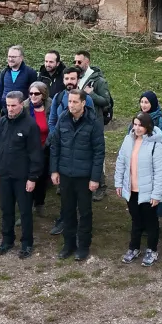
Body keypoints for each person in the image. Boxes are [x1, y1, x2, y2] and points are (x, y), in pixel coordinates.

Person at [49, 90, 105, 262]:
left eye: (74, 102)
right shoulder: (63, 119)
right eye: (69, 102)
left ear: (83, 103)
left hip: (84, 176)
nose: (71, 105)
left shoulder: (93, 123)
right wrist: (54, 170)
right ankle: (69, 244)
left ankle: (83, 246)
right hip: (65, 174)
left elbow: (98, 152)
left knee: (85, 212)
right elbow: (55, 146)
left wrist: (95, 178)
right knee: (67, 210)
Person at [0, 91, 43, 258]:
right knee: (6, 209)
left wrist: (32, 178)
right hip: (4, 174)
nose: (10, 109)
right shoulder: (2, 123)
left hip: (22, 177)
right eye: (7, 105)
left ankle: (27, 243)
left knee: (25, 211)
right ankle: (7, 240)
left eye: (13, 105)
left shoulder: (30, 126)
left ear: (22, 104)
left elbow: (35, 155)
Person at [115, 113, 162, 267]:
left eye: (140, 125)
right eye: (135, 124)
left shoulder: (155, 145)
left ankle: (152, 249)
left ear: (147, 127)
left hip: (148, 192)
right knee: (136, 220)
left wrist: (156, 194)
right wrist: (119, 183)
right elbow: (121, 162)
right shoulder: (128, 141)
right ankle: (134, 247)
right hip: (132, 190)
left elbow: (160, 171)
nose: (137, 128)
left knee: (150, 222)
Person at [47, 67, 92, 236]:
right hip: (62, 146)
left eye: (72, 78)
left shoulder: (86, 100)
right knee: (65, 196)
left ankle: (82, 228)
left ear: (78, 80)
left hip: (80, 153)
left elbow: (90, 121)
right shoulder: (58, 97)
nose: (69, 82)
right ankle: (64, 220)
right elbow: (52, 120)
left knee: (81, 198)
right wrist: (56, 136)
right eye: (66, 79)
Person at [74, 51, 112, 200]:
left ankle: (101, 186)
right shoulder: (76, 78)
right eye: (75, 62)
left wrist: (91, 94)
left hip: (95, 122)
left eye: (79, 62)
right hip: (78, 121)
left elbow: (106, 101)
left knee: (97, 153)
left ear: (87, 62)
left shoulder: (99, 81)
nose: (76, 64)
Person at [27, 81, 53, 216]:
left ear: (43, 95)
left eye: (36, 93)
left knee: (42, 178)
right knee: (28, 177)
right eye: (31, 93)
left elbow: (52, 127)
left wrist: (45, 145)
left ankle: (39, 204)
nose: (33, 96)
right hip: (28, 150)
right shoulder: (25, 107)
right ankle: (27, 207)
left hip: (44, 148)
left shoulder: (51, 106)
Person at [0, 45, 34, 113]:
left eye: (13, 57)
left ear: (21, 58)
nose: (10, 59)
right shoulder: (4, 72)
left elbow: (32, 94)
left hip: (23, 111)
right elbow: (0, 92)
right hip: (5, 111)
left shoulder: (30, 72)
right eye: (9, 56)